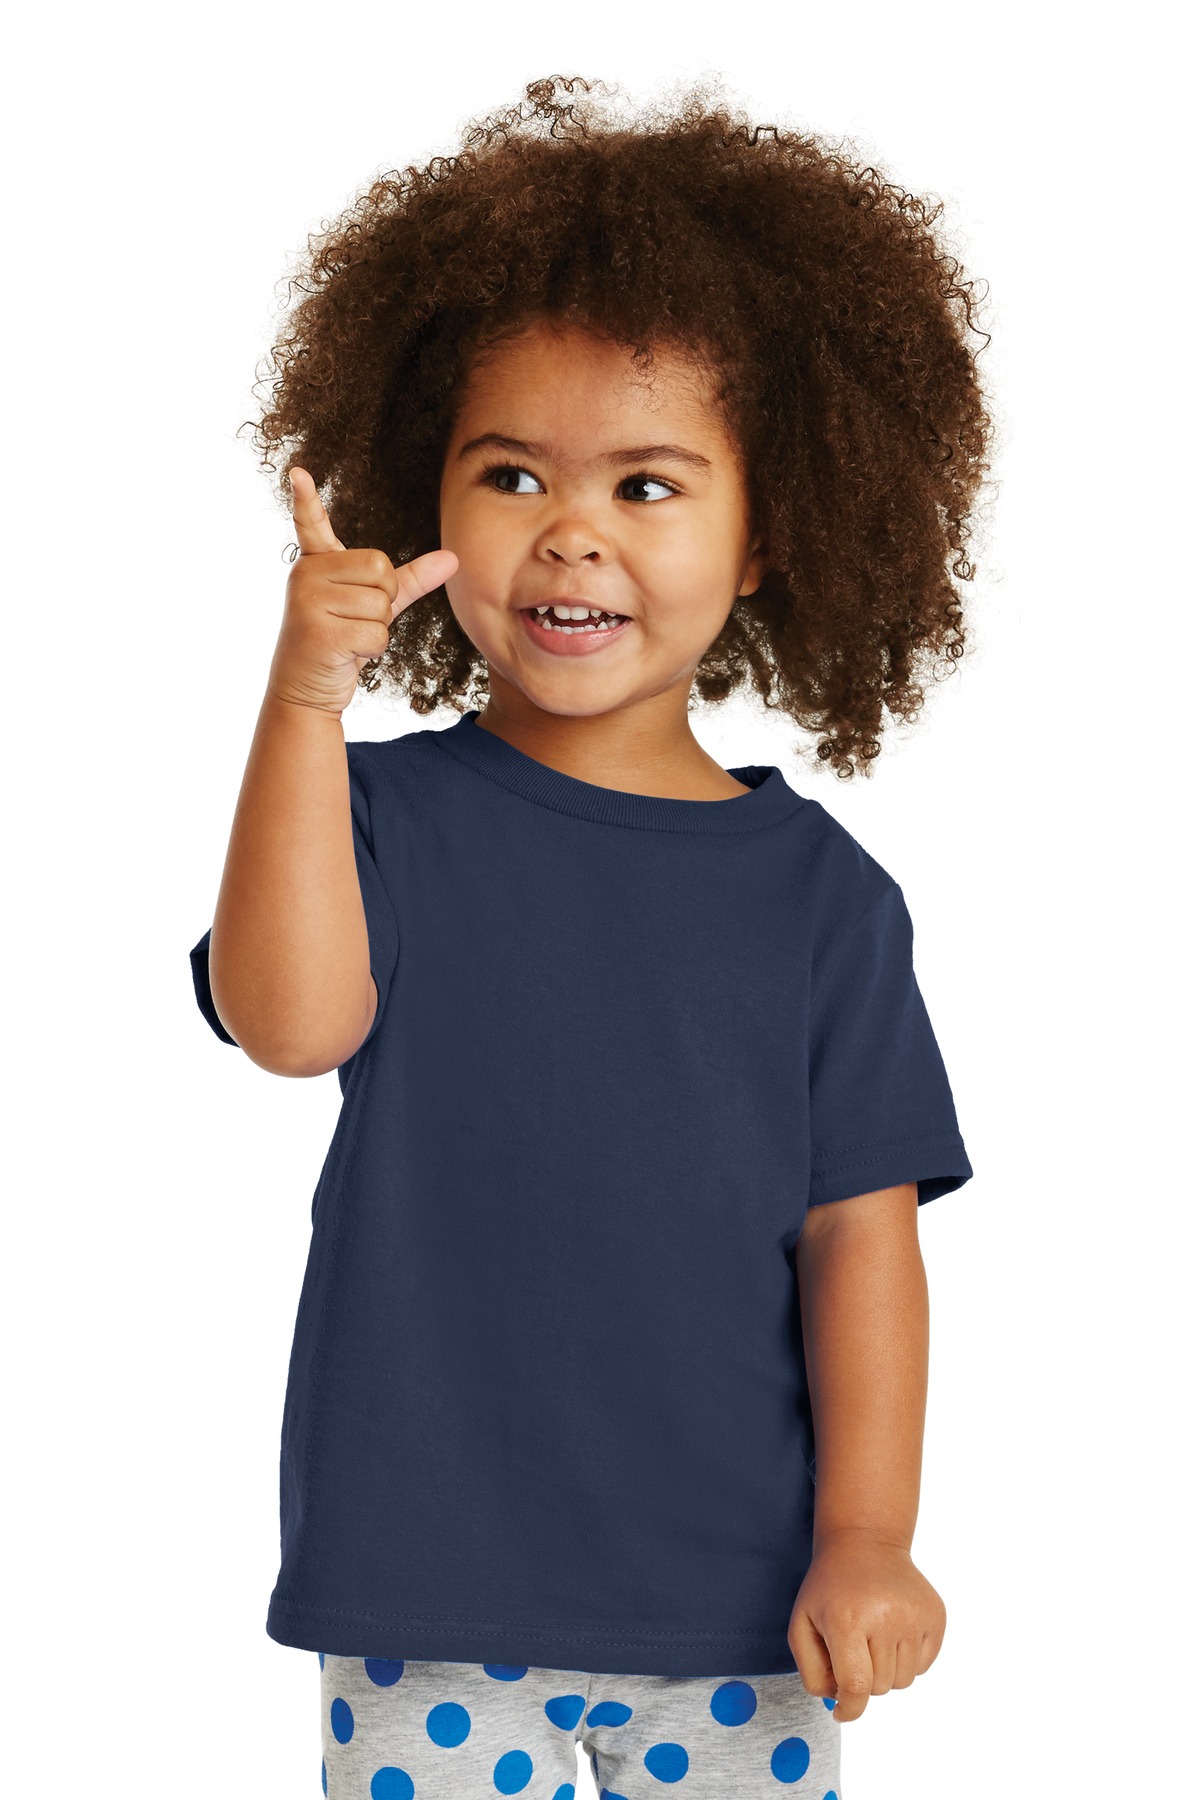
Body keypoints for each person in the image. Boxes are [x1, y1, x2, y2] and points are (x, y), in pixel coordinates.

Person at [188, 72, 989, 1800]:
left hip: (746, 1613)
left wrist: (870, 1535)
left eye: (647, 485)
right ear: (429, 498)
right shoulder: (375, 817)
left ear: (768, 535)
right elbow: (289, 1024)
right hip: (427, 1587)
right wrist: (303, 703)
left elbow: (862, 1245)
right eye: (513, 473)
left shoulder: (825, 901)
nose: (571, 530)